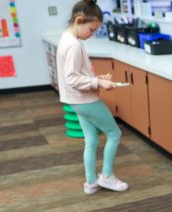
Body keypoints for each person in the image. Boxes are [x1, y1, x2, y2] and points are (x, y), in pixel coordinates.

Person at [57, 0, 128, 195]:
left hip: (75, 101)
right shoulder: (74, 45)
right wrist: (98, 83)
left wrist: (96, 78)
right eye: (92, 29)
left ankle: (90, 182)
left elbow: (74, 74)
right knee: (114, 133)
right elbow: (72, 78)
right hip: (85, 101)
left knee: (91, 139)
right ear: (79, 20)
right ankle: (106, 176)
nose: (92, 34)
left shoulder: (66, 38)